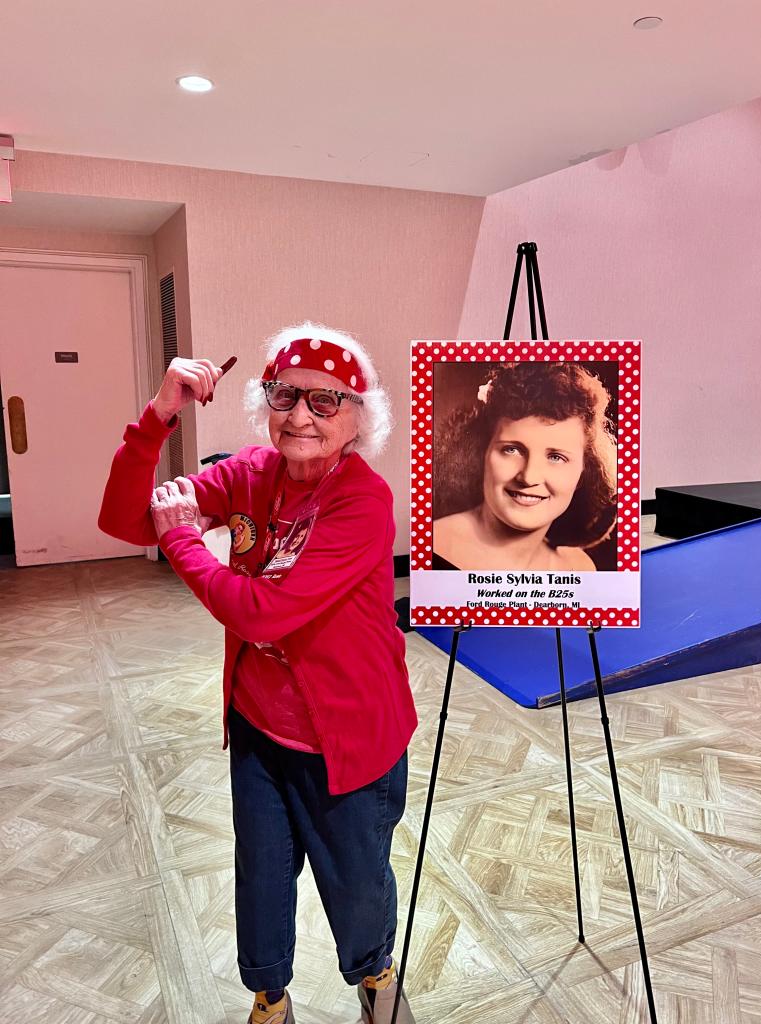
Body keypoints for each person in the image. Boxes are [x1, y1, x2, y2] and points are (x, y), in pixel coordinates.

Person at [99, 323, 418, 1024]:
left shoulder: (362, 501)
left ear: (359, 416)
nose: (301, 416)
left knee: (359, 885)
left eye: (325, 402)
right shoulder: (249, 473)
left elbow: (264, 614)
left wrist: (185, 540)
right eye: (285, 396)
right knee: (262, 880)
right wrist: (158, 417)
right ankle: (269, 999)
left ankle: (377, 977)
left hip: (350, 739)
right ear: (265, 402)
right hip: (259, 730)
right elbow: (124, 521)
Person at [432, 361, 617, 572]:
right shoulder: (436, 545)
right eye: (511, 450)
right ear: (481, 453)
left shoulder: (579, 567)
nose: (529, 477)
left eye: (556, 457)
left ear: (583, 474)